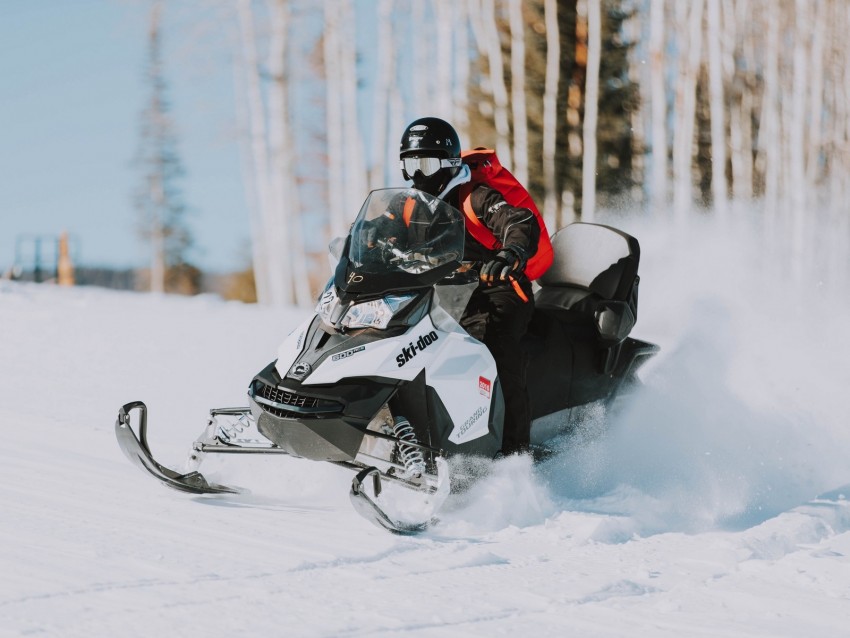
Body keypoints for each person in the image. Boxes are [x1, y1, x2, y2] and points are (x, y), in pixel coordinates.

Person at [398, 116, 544, 455]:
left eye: (427, 164)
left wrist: (510, 251)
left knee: (493, 349)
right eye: (410, 164)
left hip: (498, 290)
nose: (419, 174)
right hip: (444, 296)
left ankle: (513, 451)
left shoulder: (474, 196)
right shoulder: (409, 206)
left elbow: (516, 220)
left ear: (448, 164)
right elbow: (380, 231)